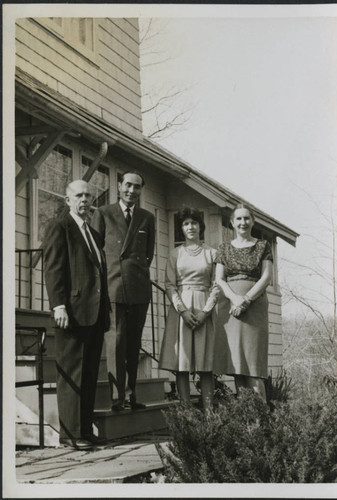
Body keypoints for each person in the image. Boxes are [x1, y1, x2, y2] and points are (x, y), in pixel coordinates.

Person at [43, 180, 110, 450]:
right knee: (71, 374)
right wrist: (58, 305)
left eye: (88, 195)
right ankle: (69, 435)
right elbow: (54, 268)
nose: (84, 199)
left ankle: (84, 429)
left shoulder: (93, 234)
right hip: (71, 312)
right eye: (78, 195)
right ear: (67, 200)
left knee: (89, 373)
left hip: (94, 314)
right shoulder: (60, 227)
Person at [91, 171, 155, 412]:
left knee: (133, 344)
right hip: (113, 286)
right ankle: (118, 398)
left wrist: (134, 274)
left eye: (137, 187)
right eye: (128, 185)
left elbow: (148, 254)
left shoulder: (147, 217)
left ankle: (131, 395)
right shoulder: (103, 213)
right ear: (119, 186)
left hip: (138, 288)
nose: (132, 191)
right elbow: (96, 253)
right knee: (116, 342)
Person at [159, 207, 219, 410]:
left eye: (194, 223)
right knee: (182, 364)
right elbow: (169, 284)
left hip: (204, 306)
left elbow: (217, 285)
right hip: (181, 308)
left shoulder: (212, 253)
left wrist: (205, 311)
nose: (190, 227)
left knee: (206, 365)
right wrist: (182, 310)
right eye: (186, 223)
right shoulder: (175, 254)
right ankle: (186, 413)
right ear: (181, 228)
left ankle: (209, 414)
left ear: (200, 227)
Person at [214, 204, 273, 402]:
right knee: (237, 367)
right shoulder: (223, 248)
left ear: (253, 221)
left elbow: (266, 278)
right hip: (230, 309)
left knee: (253, 367)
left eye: (247, 218)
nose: (243, 223)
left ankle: (263, 421)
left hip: (254, 307)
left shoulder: (263, 246)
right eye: (238, 219)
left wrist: (246, 300)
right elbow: (220, 279)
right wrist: (234, 298)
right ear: (232, 222)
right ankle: (247, 421)